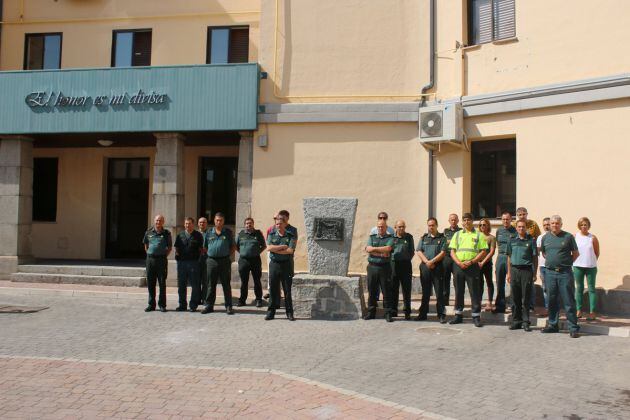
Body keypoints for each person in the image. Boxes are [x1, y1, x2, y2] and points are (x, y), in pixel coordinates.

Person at [540, 215, 580, 338]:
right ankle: (553, 325)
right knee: (552, 300)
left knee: (568, 301)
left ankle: (573, 327)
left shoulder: (568, 237)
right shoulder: (545, 238)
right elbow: (544, 253)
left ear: (561, 224)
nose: (554, 225)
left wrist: (565, 263)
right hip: (550, 273)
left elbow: (576, 253)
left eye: (557, 223)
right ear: (549, 224)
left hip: (565, 273)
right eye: (552, 223)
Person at [448, 213, 488, 327]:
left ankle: (476, 316)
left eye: (469, 220)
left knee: (474, 292)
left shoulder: (479, 235)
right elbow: (452, 251)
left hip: (472, 266)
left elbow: (483, 251)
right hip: (459, 266)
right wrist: (459, 263)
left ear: (472, 221)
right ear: (462, 222)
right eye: (464, 220)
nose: (466, 222)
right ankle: (458, 315)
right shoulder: (457, 234)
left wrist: (471, 261)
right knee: (459, 291)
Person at [506, 220, 538, 331]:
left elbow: (535, 258)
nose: (521, 229)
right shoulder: (512, 240)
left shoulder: (531, 240)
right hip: (514, 270)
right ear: (516, 228)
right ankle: (516, 321)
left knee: (526, 298)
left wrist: (534, 273)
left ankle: (526, 322)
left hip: (526, 271)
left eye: (523, 227)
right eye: (519, 227)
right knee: (515, 297)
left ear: (526, 228)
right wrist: (509, 273)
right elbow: (509, 257)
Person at [201, 212, 235, 315]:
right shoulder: (209, 232)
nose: (218, 222)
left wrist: (225, 255)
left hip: (224, 261)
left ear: (223, 221)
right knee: (211, 284)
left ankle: (228, 306)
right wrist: (213, 254)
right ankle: (209, 305)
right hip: (211, 261)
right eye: (217, 220)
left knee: (226, 284)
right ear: (214, 221)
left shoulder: (228, 232)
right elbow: (205, 247)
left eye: (220, 220)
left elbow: (233, 247)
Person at [416, 217, 447, 323]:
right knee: (425, 292)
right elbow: (419, 251)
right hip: (425, 267)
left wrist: (432, 262)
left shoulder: (442, 238)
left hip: (437, 267)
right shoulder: (424, 238)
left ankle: (441, 315)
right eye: (429, 225)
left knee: (439, 292)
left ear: (437, 225)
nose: (431, 227)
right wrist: (427, 262)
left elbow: (443, 253)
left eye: (433, 225)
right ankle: (423, 314)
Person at [265, 215, 296, 321]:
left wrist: (276, 249)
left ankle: (289, 313)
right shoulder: (272, 234)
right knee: (273, 289)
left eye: (280, 224)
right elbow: (269, 248)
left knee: (287, 290)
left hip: (286, 265)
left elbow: (290, 250)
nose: (278, 225)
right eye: (276, 224)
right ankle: (271, 312)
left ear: (284, 224)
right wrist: (283, 247)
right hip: (274, 264)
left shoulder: (290, 235)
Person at [364, 219, 395, 322]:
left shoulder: (390, 238)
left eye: (382, 227)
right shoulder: (372, 237)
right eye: (379, 227)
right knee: (372, 290)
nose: (380, 228)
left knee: (386, 291)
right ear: (377, 228)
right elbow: (368, 249)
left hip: (384, 268)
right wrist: (381, 253)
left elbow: (388, 249)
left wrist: (374, 250)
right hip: (372, 267)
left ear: (386, 228)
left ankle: (388, 313)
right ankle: (371, 313)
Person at [142, 214, 172, 312]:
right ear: (154, 221)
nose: (158, 222)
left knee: (162, 283)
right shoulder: (148, 232)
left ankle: (162, 305)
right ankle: (151, 304)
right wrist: (150, 254)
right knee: (150, 283)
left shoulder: (167, 233)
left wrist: (162, 255)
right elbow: (146, 245)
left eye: (160, 220)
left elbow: (169, 248)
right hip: (150, 260)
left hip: (161, 260)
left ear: (163, 222)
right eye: (156, 220)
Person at [514, 207, 541, 311]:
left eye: (524, 214)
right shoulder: (514, 225)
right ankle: (519, 304)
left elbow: (538, 238)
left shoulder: (533, 224)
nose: (522, 216)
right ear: (517, 216)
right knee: (518, 284)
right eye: (520, 215)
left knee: (530, 282)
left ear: (527, 214)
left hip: (530, 256)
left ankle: (530, 304)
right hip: (519, 257)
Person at [174, 217, 204, 312]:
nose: (187, 225)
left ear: (193, 224)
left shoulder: (198, 235)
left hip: (193, 263)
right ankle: (182, 304)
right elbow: (177, 248)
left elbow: (201, 249)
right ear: (184, 224)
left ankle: (193, 305)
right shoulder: (180, 235)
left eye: (189, 223)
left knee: (195, 285)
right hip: (182, 263)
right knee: (181, 285)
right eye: (186, 223)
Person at [573, 217, 600, 320]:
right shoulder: (575, 236)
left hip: (591, 267)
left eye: (585, 224)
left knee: (591, 288)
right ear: (579, 226)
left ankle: (592, 312)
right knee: (579, 288)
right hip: (578, 266)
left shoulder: (593, 238)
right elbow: (572, 251)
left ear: (589, 226)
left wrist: (590, 261)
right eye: (582, 225)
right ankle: (578, 310)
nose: (584, 226)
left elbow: (597, 253)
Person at [236, 217, 266, 307]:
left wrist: (257, 253)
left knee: (257, 281)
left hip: (255, 260)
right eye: (247, 223)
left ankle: (259, 300)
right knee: (244, 282)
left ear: (253, 224)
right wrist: (243, 253)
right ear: (244, 225)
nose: (248, 225)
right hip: (243, 260)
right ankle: (242, 300)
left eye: (250, 223)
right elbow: (236, 246)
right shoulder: (240, 234)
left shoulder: (258, 233)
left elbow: (263, 246)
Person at [391, 220, 414, 320]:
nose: (401, 228)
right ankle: (393, 310)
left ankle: (407, 311)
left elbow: (412, 251)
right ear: (395, 227)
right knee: (393, 289)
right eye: (399, 227)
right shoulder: (391, 238)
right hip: (393, 265)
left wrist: (405, 258)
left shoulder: (409, 237)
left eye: (403, 227)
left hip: (406, 266)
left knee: (406, 290)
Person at [494, 211, 517, 313]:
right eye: (503, 219)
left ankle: (514, 305)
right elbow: (498, 244)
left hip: (511, 258)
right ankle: (500, 306)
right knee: (500, 282)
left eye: (507, 219)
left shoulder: (515, 231)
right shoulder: (499, 231)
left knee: (512, 283)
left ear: (511, 220)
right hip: (501, 257)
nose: (505, 221)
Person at [442, 213, 461, 306]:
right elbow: (445, 242)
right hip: (447, 257)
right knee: (445, 279)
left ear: (458, 221)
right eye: (451, 220)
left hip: (457, 258)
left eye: (455, 220)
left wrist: (450, 241)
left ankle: (458, 300)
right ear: (449, 221)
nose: (453, 221)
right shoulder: (445, 231)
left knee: (457, 279)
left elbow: (459, 243)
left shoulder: (461, 231)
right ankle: (445, 301)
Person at [478, 218, 496, 312]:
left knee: (489, 282)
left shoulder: (491, 238)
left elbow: (491, 252)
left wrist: (483, 262)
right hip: (477, 263)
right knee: (479, 283)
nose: (482, 227)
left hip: (487, 263)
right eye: (480, 225)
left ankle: (489, 302)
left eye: (484, 225)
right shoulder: (476, 236)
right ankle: (479, 301)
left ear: (488, 226)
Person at [536, 217, 551, 316]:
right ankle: (547, 308)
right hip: (543, 266)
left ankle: (553, 309)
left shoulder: (555, 236)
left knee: (553, 289)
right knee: (545, 288)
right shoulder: (540, 237)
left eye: (548, 224)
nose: (546, 226)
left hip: (552, 266)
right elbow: (538, 252)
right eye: (544, 225)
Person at [197, 217, 209, 305]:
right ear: (198, 224)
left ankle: (204, 299)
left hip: (207, 259)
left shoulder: (210, 234)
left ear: (206, 224)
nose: (202, 224)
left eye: (204, 222)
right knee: (196, 280)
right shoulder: (195, 234)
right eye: (200, 222)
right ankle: (197, 298)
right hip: (196, 260)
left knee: (206, 280)